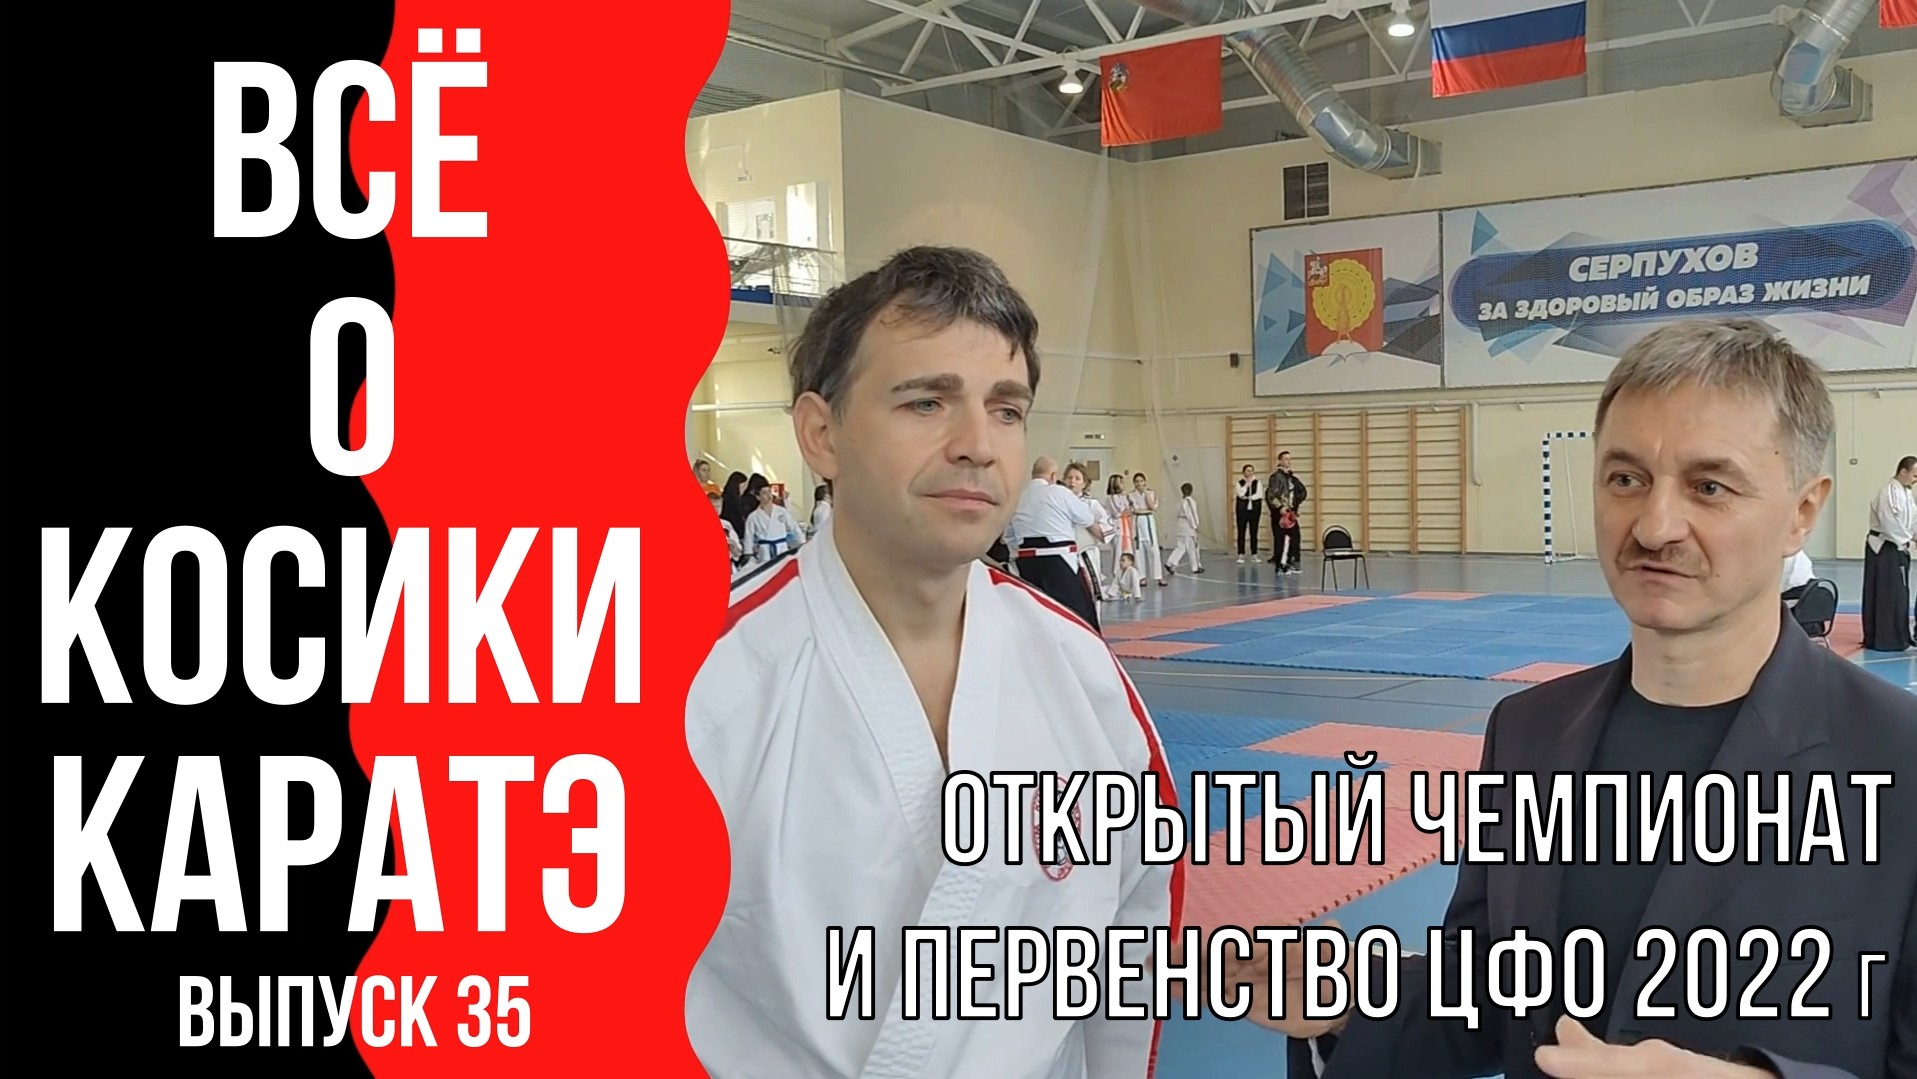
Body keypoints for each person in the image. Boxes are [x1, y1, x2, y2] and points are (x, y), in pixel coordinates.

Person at [1254, 319, 1917, 1078]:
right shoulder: (1528, 732)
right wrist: (1352, 998)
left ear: (1802, 511)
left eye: (1709, 486)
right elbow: (1492, 990)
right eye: (1626, 478)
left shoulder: (1897, 758)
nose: (1654, 526)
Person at [685, 245, 1181, 1079]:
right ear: (820, 433)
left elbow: (1133, 929)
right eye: (925, 401)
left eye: (1006, 409)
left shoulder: (1081, 673)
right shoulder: (699, 687)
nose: (977, 445)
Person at [1009, 455, 1101, 630]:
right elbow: (1087, 518)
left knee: (1037, 615)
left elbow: (1009, 537)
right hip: (1059, 561)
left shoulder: (1018, 498)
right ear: (1053, 476)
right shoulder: (1059, 492)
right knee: (1076, 616)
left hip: (1026, 563)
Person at [1862, 455, 1915, 651]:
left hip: (1898, 547)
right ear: (1903, 471)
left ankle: (1900, 636)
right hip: (1884, 547)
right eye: (1914, 475)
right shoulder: (1889, 492)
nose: (1916, 480)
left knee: (1899, 594)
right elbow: (1890, 522)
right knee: (1887, 594)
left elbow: (1912, 520)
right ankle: (1884, 639)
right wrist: (1906, 540)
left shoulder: (1906, 493)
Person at [1067, 463, 1116, 601]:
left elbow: (1107, 530)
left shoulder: (1092, 504)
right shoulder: (1058, 504)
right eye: (1069, 478)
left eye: (1077, 478)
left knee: (1090, 595)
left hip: (1086, 554)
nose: (1072, 481)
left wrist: (1087, 522)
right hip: (1065, 555)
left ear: (1084, 483)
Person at [742, 482, 803, 564]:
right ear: (758, 497)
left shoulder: (781, 511)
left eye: (769, 492)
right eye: (764, 493)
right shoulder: (753, 516)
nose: (769, 495)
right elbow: (748, 537)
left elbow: (794, 527)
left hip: (782, 548)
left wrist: (802, 543)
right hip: (765, 551)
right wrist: (748, 553)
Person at [1267, 451, 1307, 573]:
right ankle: (1280, 565)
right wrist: (1279, 507)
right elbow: (1271, 495)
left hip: (1290, 513)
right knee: (1280, 539)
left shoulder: (1292, 479)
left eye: (1290, 459)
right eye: (1286, 459)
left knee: (1295, 537)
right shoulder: (1276, 477)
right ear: (1280, 461)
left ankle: (1293, 562)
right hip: (1279, 513)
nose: (1288, 461)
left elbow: (1302, 492)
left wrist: (1296, 504)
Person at [1128, 472, 1167, 586]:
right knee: (1138, 550)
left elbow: (1152, 507)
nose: (1139, 483)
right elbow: (1133, 510)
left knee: (1153, 550)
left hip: (1148, 521)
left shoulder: (1151, 493)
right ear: (1134, 483)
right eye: (1137, 481)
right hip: (1137, 522)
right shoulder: (1130, 495)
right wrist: (1142, 510)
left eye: (1141, 481)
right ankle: (1141, 577)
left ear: (1145, 482)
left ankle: (1158, 576)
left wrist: (1145, 494)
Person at [1167, 481, 1204, 575]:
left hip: (1180, 526)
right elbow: (1192, 515)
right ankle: (1195, 567)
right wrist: (1195, 526)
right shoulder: (1190, 502)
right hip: (1188, 527)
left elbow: (1175, 514)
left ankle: (1170, 563)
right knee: (1192, 548)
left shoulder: (1180, 502)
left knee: (1180, 547)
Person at [1235, 463, 1263, 563]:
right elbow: (1240, 494)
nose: (1250, 473)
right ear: (1244, 472)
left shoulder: (1257, 482)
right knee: (1241, 531)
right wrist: (1247, 485)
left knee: (1254, 531)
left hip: (1254, 509)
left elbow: (1259, 495)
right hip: (1242, 509)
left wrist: (1249, 497)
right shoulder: (1239, 483)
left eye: (1251, 470)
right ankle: (1241, 554)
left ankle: (1254, 554)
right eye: (1248, 470)